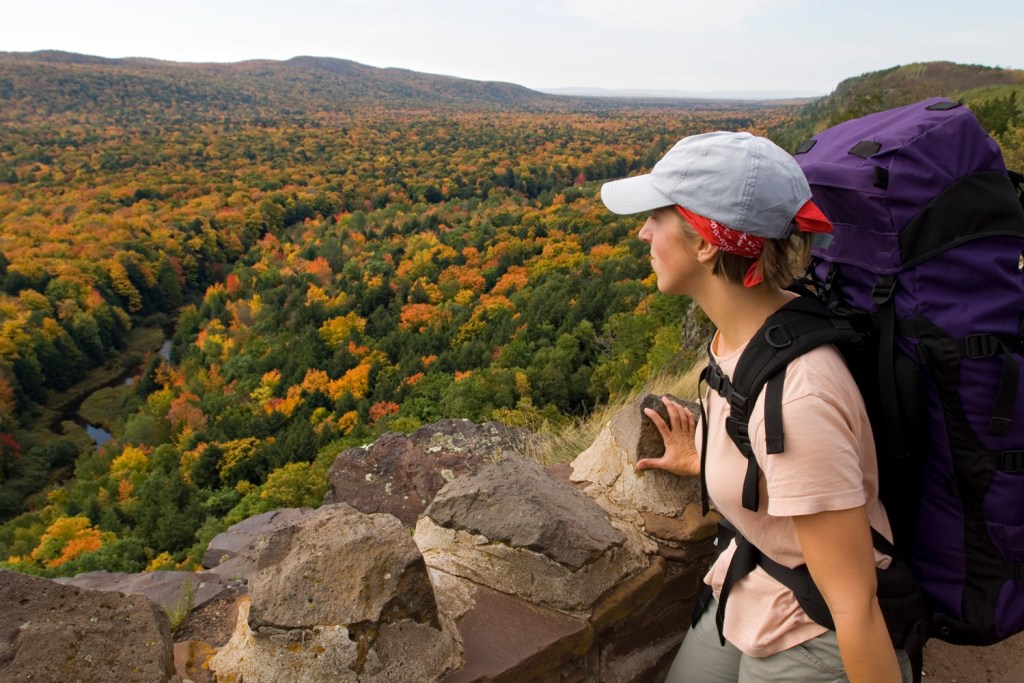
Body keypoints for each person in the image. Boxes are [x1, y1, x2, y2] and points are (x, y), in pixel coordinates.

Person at [600, 132, 912, 682]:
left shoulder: (799, 395)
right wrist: (706, 459)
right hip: (758, 582)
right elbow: (778, 467)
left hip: (819, 632)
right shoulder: (749, 334)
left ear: (705, 244)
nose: (643, 231)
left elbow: (855, 607)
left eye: (658, 216)